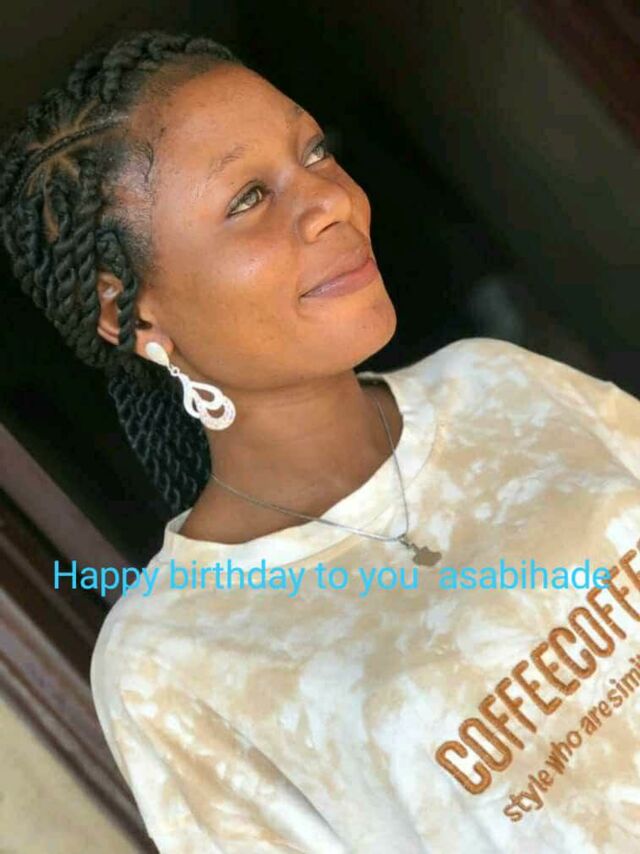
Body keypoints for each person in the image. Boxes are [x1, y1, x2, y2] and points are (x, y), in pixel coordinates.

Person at [1, 27, 639, 854]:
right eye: (248, 198)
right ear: (128, 310)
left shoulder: (497, 384)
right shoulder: (171, 662)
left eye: (314, 152)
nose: (330, 199)